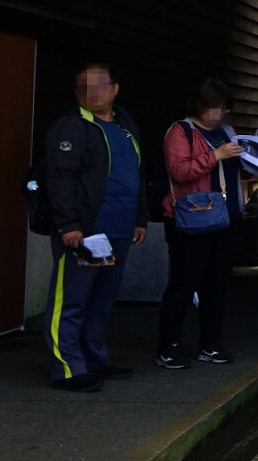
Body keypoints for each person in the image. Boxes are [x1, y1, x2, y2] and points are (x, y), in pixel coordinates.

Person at [42, 62, 148, 393]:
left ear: (115, 88)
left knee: (100, 300)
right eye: (84, 86)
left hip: (117, 230)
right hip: (88, 232)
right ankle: (68, 368)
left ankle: (94, 359)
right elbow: (59, 179)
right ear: (76, 93)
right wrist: (69, 224)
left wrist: (140, 218)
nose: (93, 91)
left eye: (100, 84)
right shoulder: (71, 127)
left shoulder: (126, 126)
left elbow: (137, 175)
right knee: (72, 299)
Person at [156, 78, 245, 369]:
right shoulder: (180, 131)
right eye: (212, 108)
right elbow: (180, 171)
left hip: (226, 217)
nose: (218, 114)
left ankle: (210, 343)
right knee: (184, 283)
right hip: (190, 219)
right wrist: (216, 155)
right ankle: (168, 346)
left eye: (222, 108)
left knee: (217, 285)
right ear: (197, 105)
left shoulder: (226, 132)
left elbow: (234, 173)